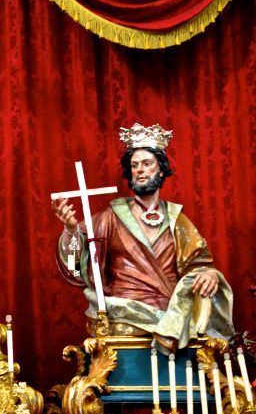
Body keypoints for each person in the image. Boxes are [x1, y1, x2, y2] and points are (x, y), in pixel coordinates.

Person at [51, 123, 233, 352]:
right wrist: (71, 231)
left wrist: (209, 275)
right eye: (135, 165)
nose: (140, 170)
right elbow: (75, 267)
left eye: (147, 164)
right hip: (124, 317)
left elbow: (199, 264)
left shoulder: (177, 219)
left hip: (171, 321)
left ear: (161, 170)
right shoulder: (111, 217)